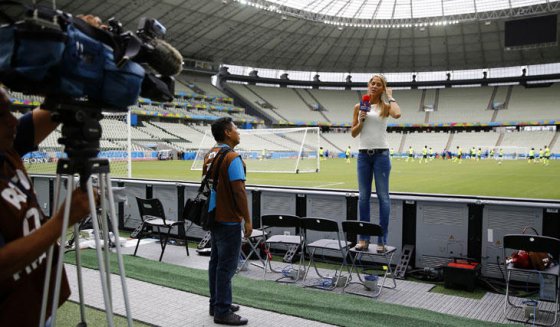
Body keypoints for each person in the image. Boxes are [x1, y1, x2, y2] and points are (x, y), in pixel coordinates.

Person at [0, 87, 94, 326]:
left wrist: (75, 87)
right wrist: (62, 221)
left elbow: (49, 113)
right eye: (1, 114)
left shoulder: (6, 149)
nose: (13, 120)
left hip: (39, 303)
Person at [204, 117, 252, 326]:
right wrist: (248, 220)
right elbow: (239, 191)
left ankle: (216, 303)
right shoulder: (232, 157)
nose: (238, 132)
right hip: (229, 219)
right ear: (227, 133)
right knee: (226, 266)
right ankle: (222, 311)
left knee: (216, 262)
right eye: (235, 129)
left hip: (213, 215)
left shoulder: (210, 154)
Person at [351, 74, 401, 252]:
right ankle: (363, 239)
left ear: (382, 88)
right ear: (368, 85)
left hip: (381, 156)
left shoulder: (386, 107)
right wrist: (361, 120)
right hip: (363, 156)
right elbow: (354, 133)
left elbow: (398, 113)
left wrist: (390, 96)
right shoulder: (359, 107)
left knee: (383, 198)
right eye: (372, 83)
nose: (374, 86)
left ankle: (381, 240)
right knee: (363, 198)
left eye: (378, 84)